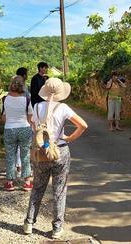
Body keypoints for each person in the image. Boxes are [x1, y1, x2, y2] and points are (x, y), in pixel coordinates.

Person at [24, 78, 88, 239]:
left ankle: (29, 223)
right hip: (59, 151)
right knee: (59, 190)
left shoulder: (37, 107)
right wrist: (69, 138)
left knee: (38, 187)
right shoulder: (63, 107)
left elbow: (32, 122)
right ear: (61, 92)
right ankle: (57, 228)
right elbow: (83, 125)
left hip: (41, 152)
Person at [2, 75, 33, 191]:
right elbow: (30, 117)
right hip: (24, 127)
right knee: (25, 156)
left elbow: (4, 117)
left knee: (10, 155)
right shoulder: (27, 99)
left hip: (9, 128)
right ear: (23, 86)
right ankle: (27, 182)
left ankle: (10, 182)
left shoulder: (6, 99)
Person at [15, 67, 30, 177]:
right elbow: (27, 105)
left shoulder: (12, 89)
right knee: (23, 148)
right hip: (23, 119)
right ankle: (25, 174)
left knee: (16, 147)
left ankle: (18, 168)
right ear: (24, 75)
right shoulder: (23, 89)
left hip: (12, 122)